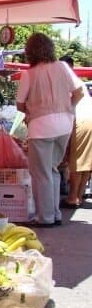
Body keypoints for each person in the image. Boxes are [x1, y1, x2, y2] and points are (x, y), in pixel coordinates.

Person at [15, 33, 84, 226]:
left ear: (30, 52)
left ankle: (45, 218)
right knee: (53, 169)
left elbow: (19, 104)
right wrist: (68, 107)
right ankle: (55, 214)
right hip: (64, 125)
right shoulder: (63, 67)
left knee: (41, 173)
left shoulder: (29, 74)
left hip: (40, 127)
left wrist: (32, 110)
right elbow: (79, 92)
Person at [59, 55, 92, 208]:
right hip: (89, 118)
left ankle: (73, 197)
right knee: (86, 162)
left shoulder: (66, 80)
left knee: (76, 162)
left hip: (81, 120)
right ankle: (77, 197)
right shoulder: (78, 80)